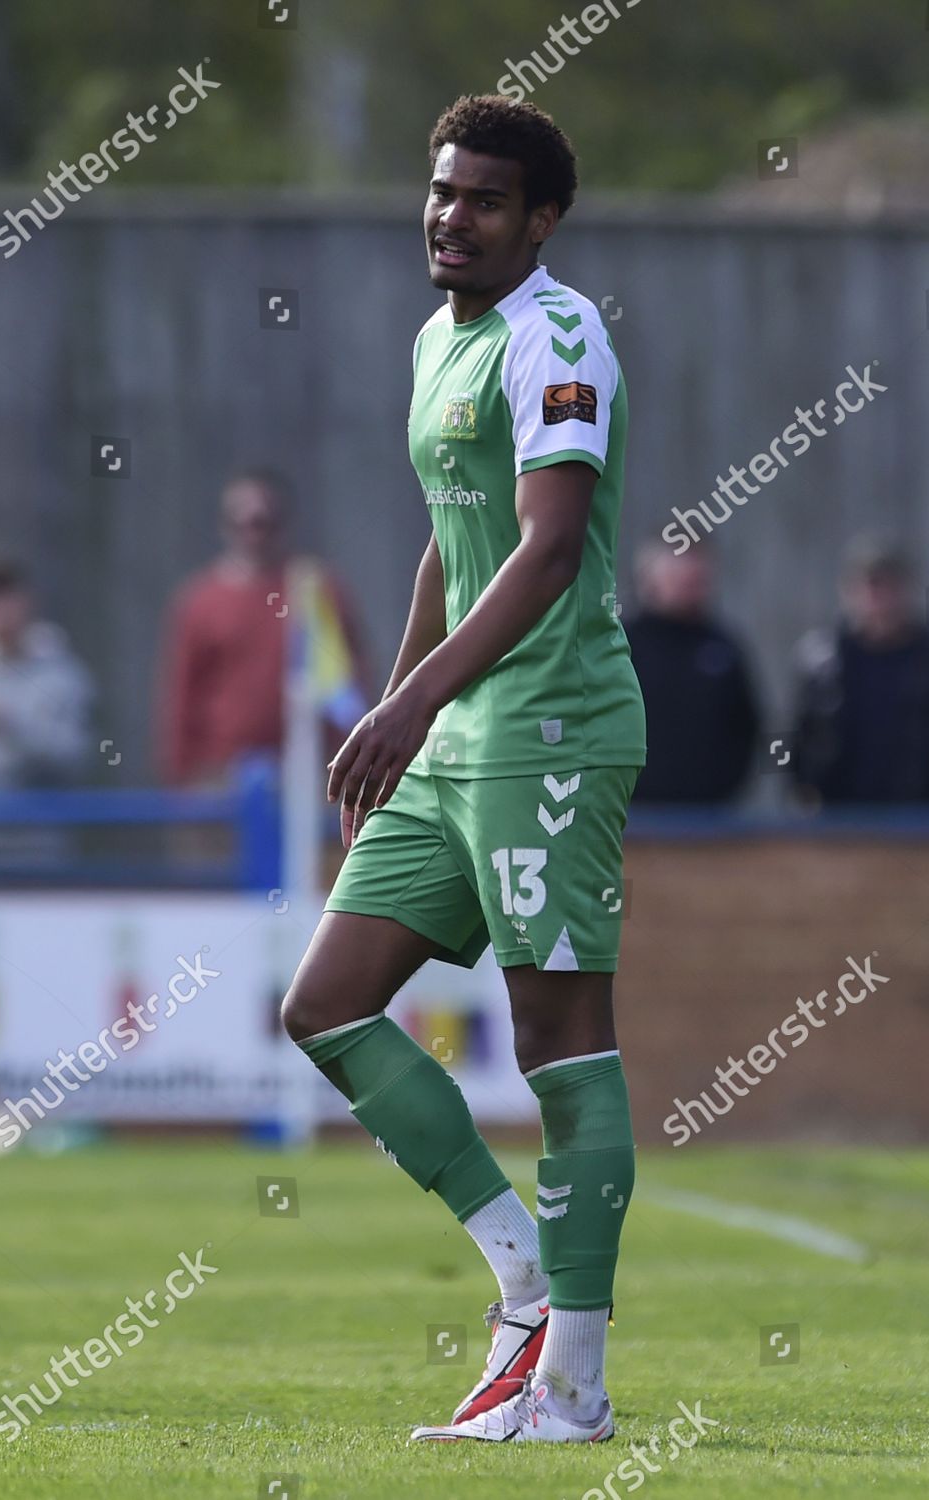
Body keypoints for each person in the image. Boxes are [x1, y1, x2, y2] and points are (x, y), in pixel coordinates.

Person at [281, 95, 646, 1445]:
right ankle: (521, 1273)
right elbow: (459, 534)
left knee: (560, 1047)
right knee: (323, 1006)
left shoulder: (561, 335)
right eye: (441, 192)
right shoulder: (440, 336)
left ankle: (575, 1391)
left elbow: (546, 548)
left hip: (550, 724)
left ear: (539, 221)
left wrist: (415, 701)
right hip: (459, 733)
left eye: (485, 199)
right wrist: (399, 702)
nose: (451, 215)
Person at [155, 468, 368, 787]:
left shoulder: (316, 591)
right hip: (219, 777)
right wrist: (180, 777)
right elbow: (182, 693)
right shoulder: (200, 601)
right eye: (241, 522)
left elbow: (349, 683)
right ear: (224, 526)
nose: (253, 533)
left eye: (263, 522)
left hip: (307, 773)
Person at [792, 536, 929, 804]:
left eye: (888, 586)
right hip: (838, 819)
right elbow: (787, 735)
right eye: (870, 585)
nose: (878, 597)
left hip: (921, 823)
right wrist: (799, 789)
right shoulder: (820, 661)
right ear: (847, 590)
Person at [624, 537, 761, 803]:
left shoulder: (724, 649)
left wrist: (723, 790)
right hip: (631, 817)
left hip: (707, 821)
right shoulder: (621, 645)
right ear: (649, 577)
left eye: (696, 578)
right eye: (677, 575)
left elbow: (749, 727)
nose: (688, 585)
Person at [0, 556, 92, 796]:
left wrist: (14, 730)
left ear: (27, 602)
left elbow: (75, 758)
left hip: (36, 828)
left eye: (6, 598)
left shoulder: (63, 675)